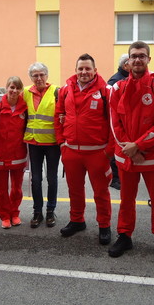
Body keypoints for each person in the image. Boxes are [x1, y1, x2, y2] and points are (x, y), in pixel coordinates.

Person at [108, 41, 154, 264]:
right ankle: (125, 236)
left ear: (148, 59)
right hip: (128, 156)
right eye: (133, 56)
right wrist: (131, 149)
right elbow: (115, 123)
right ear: (127, 61)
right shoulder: (117, 88)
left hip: (153, 158)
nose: (137, 60)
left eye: (141, 56)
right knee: (126, 199)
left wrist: (139, 146)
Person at [55, 53, 113, 245]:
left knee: (101, 192)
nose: (84, 72)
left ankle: (104, 225)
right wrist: (62, 143)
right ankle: (77, 220)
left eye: (88, 68)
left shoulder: (106, 91)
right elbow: (58, 116)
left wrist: (108, 151)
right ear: (76, 70)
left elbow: (114, 123)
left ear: (95, 71)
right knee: (75, 190)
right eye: (80, 68)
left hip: (97, 152)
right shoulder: (65, 90)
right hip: (71, 151)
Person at [23, 62, 60, 228]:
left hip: (52, 143)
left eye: (41, 75)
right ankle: (37, 212)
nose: (38, 78)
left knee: (52, 179)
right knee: (35, 180)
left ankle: (51, 211)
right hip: (34, 142)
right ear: (31, 77)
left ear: (47, 75)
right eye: (35, 75)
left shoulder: (57, 91)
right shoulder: (25, 92)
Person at [0, 76, 28, 229]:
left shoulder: (25, 108)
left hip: (18, 154)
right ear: (6, 88)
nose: (14, 90)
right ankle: (5, 216)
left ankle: (15, 213)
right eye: (11, 87)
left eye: (17, 88)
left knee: (17, 189)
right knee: (1, 190)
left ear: (21, 90)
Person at [107, 53, 130, 190]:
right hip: (117, 121)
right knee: (117, 151)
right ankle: (115, 178)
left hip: (126, 121)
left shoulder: (126, 78)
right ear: (125, 65)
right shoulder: (115, 81)